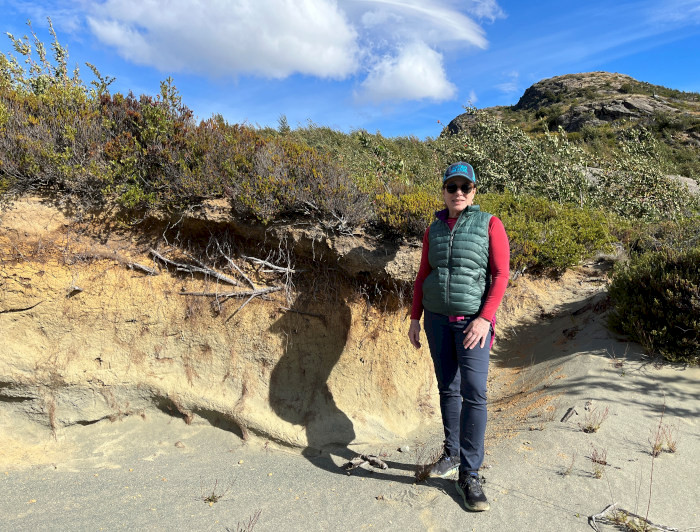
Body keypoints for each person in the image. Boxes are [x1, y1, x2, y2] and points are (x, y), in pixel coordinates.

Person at [408, 161, 509, 512]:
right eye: (452, 187)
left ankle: (470, 473)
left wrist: (484, 318)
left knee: (475, 392)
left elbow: (500, 274)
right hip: (436, 320)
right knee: (447, 388)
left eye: (465, 187)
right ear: (444, 191)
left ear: (475, 191)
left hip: (473, 323)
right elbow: (423, 274)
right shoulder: (432, 228)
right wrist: (415, 317)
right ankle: (451, 454)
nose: (459, 193)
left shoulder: (490, 224)